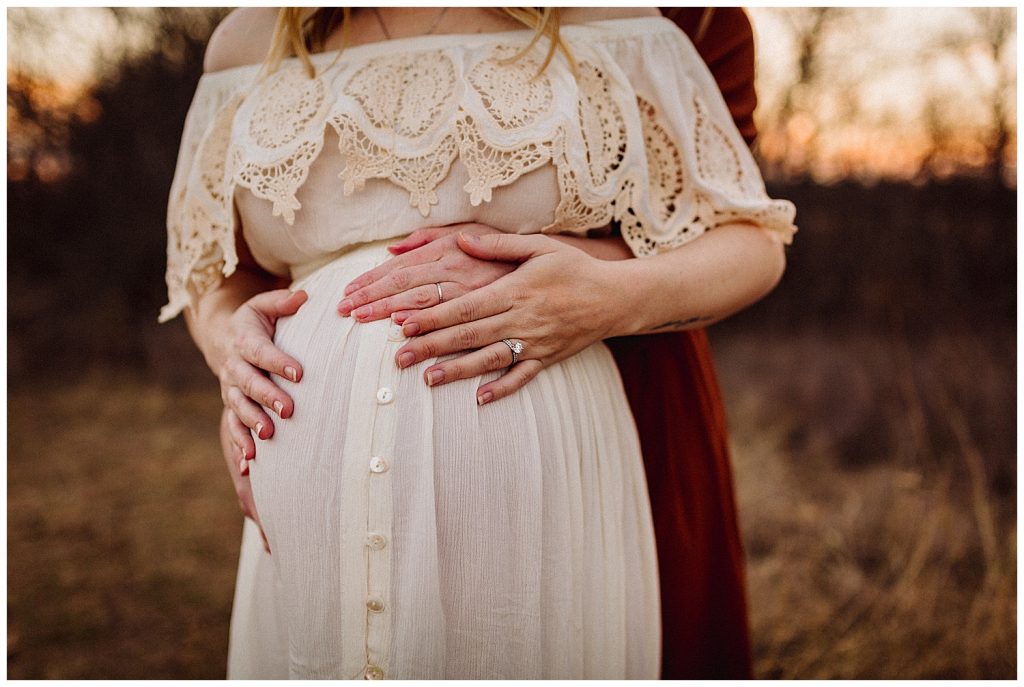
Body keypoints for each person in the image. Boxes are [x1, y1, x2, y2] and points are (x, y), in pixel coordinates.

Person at [165, 7, 795, 679]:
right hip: (307, 512)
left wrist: (604, 296)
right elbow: (208, 273)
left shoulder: (612, 19)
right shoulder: (246, 44)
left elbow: (750, 241)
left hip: (545, 486)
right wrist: (228, 338)